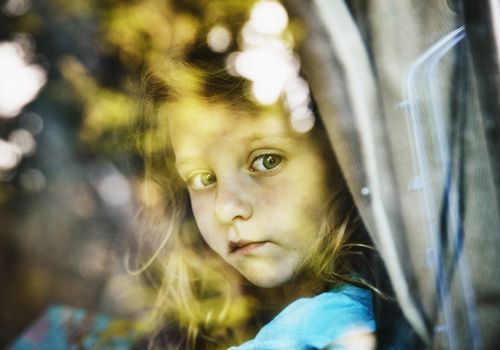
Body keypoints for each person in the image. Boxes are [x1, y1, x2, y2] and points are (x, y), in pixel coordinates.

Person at [130, 3, 396, 350]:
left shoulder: (334, 327)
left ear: (340, 159)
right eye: (201, 178)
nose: (226, 209)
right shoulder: (216, 318)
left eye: (267, 161)